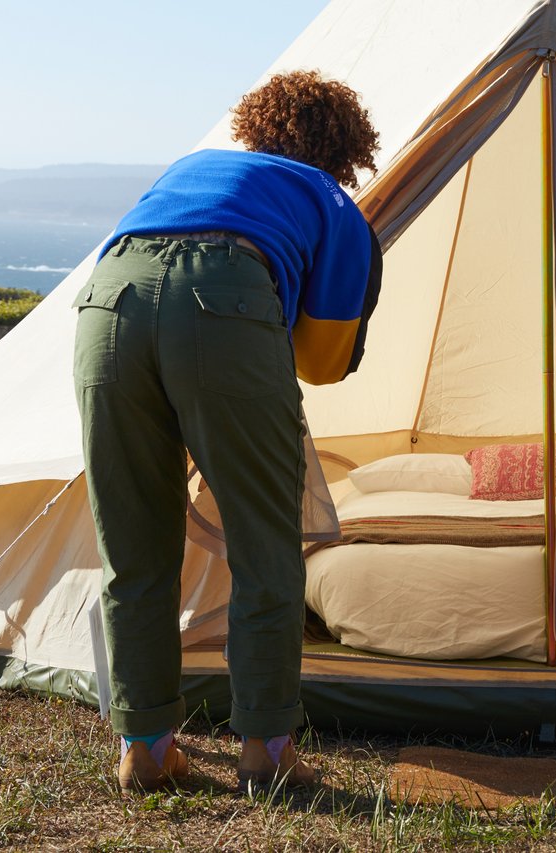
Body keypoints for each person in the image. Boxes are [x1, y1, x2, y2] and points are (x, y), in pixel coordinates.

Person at [72, 69, 382, 793]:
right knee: (264, 541)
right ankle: (266, 753)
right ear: (345, 154)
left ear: (256, 128)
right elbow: (323, 360)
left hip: (105, 304)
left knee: (134, 540)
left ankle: (145, 747)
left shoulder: (195, 166)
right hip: (225, 297)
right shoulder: (328, 199)